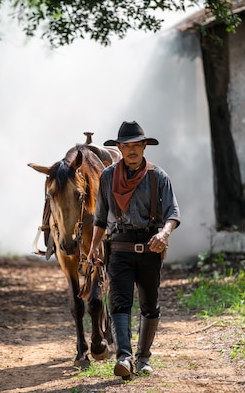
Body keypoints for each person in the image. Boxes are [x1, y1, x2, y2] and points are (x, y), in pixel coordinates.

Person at [88, 121, 180, 380]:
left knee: (150, 304)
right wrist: (93, 249)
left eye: (136, 145)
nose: (132, 150)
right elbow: (100, 218)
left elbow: (172, 212)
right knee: (120, 304)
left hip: (151, 248)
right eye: (126, 146)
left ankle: (143, 358)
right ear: (119, 147)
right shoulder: (107, 177)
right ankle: (124, 358)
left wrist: (164, 233)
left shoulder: (158, 176)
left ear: (143, 147)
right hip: (119, 249)